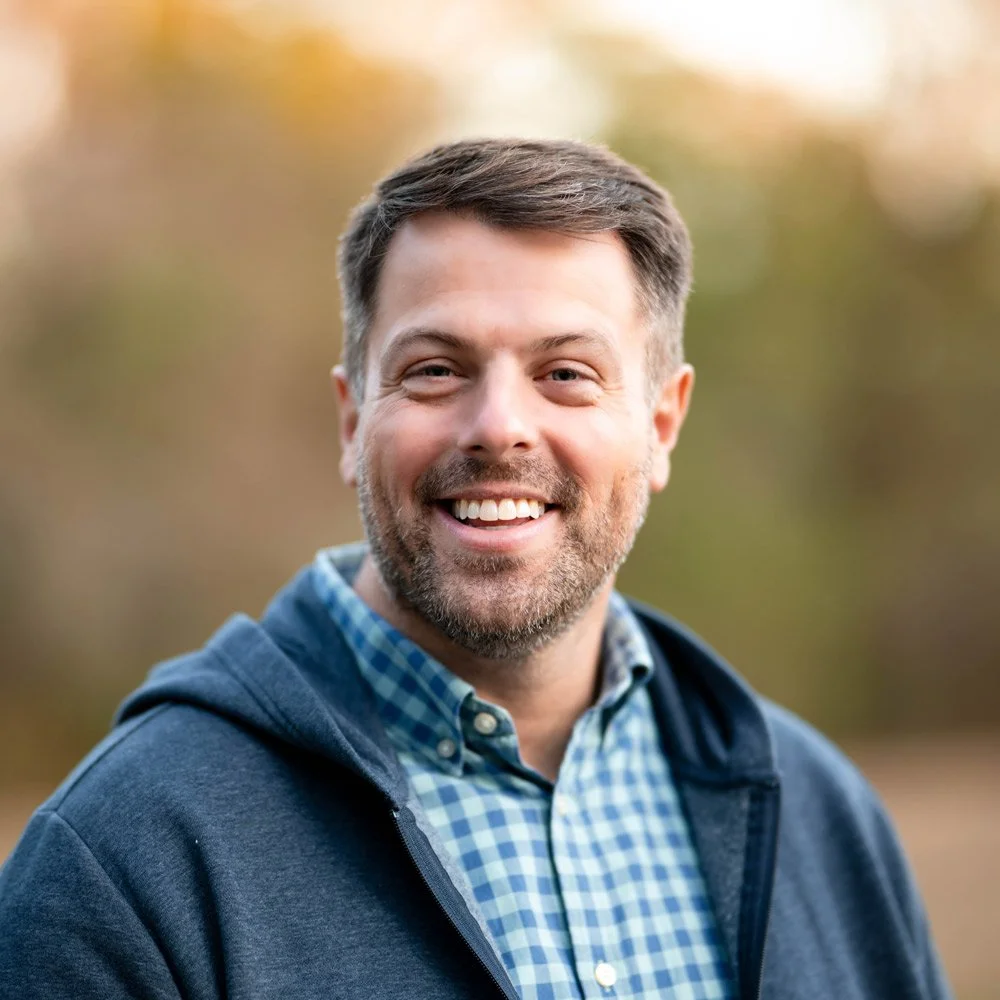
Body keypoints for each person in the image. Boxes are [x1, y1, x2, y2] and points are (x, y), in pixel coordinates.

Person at [0, 138, 950, 1000]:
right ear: (350, 418)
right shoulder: (124, 860)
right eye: (435, 370)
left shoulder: (823, 818)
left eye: (567, 373)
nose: (499, 426)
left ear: (661, 423)